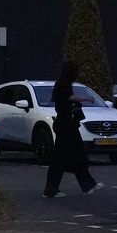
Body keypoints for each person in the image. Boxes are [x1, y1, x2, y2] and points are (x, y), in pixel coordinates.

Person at [42, 62, 102, 199]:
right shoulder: (64, 85)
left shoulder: (61, 84)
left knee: (68, 157)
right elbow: (70, 98)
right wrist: (87, 98)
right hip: (67, 126)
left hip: (65, 125)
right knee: (73, 155)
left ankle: (86, 185)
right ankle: (86, 184)